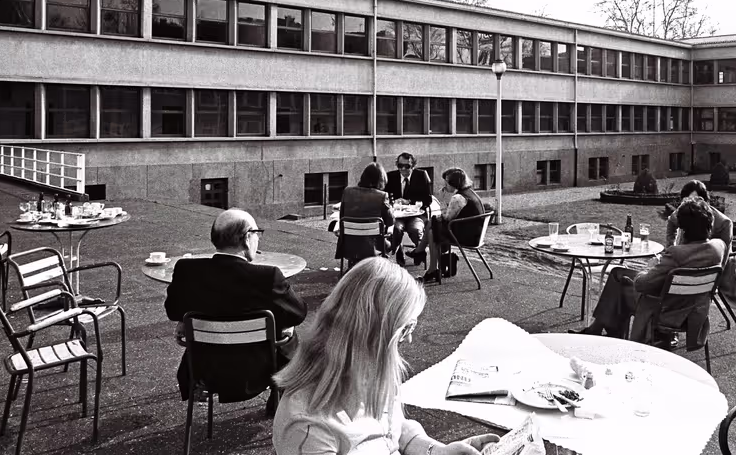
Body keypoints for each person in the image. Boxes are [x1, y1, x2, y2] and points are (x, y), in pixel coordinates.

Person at [273, 257, 500, 455]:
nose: (409, 340)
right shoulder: (308, 426)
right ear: (374, 335)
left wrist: (435, 450)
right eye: (406, 329)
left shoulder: (373, 369)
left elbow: (394, 429)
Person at [164, 208, 308, 405]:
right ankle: (281, 396)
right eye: (257, 234)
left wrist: (185, 320)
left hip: (205, 369)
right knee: (288, 334)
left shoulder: (186, 271)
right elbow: (298, 313)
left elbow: (173, 310)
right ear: (247, 238)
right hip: (256, 371)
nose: (258, 240)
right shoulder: (268, 277)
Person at [570, 198, 726, 342]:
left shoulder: (676, 254)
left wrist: (651, 264)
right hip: (693, 309)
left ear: (683, 230)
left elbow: (641, 285)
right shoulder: (719, 247)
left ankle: (604, 333)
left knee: (618, 280)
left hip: (665, 309)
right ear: (709, 225)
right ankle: (601, 331)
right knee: (618, 274)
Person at [411, 168, 485, 284]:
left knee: (432, 228)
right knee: (432, 227)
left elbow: (447, 218)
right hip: (475, 233)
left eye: (446, 182)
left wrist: (443, 202)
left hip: (466, 236)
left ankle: (423, 257)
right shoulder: (470, 192)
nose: (445, 185)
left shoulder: (458, 198)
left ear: (453, 183)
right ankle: (428, 264)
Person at [338, 163, 396, 267]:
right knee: (392, 239)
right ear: (381, 180)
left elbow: (342, 215)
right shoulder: (381, 196)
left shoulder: (347, 191)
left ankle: (355, 263)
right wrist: (390, 207)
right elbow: (390, 221)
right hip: (373, 246)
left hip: (349, 243)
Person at [385, 153, 434, 266]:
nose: (403, 169)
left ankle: (419, 252)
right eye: (400, 165)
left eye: (406, 166)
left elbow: (427, 200)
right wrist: (395, 202)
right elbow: (386, 198)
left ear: (413, 166)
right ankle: (397, 252)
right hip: (398, 215)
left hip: (416, 215)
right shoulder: (391, 176)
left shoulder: (421, 176)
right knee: (396, 229)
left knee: (416, 230)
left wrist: (409, 202)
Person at [666, 180, 733, 259]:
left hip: (711, 263)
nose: (689, 205)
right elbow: (671, 221)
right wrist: (670, 249)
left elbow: (726, 256)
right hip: (686, 260)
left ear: (705, 202)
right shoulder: (684, 213)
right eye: (685, 201)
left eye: (693, 200)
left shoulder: (724, 223)